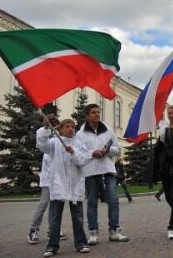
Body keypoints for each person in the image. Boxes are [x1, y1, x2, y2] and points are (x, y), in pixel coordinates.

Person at [36, 119, 92, 257]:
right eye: (67, 126)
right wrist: (46, 128)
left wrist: (73, 152)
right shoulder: (55, 142)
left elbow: (83, 160)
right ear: (60, 130)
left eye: (73, 126)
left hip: (75, 185)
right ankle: (52, 246)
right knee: (55, 217)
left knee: (78, 216)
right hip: (59, 184)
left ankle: (81, 243)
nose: (71, 129)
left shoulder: (79, 144)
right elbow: (41, 145)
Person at [76, 104, 129, 245]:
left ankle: (114, 231)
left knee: (113, 200)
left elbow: (117, 149)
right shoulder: (80, 134)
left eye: (98, 112)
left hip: (108, 170)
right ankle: (93, 233)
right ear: (87, 116)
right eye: (93, 112)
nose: (97, 114)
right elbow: (78, 153)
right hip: (91, 171)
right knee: (92, 202)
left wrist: (107, 151)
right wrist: (92, 153)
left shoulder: (108, 130)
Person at [146, 105, 173, 239]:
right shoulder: (165, 127)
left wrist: (164, 133)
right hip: (165, 167)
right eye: (169, 113)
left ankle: (172, 227)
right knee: (168, 198)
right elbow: (162, 138)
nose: (171, 115)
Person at [28, 117, 68, 244]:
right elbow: (41, 142)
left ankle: (53, 230)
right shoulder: (50, 144)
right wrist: (45, 128)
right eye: (55, 128)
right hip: (48, 180)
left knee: (55, 207)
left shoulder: (64, 143)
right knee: (44, 204)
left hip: (59, 181)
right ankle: (33, 230)